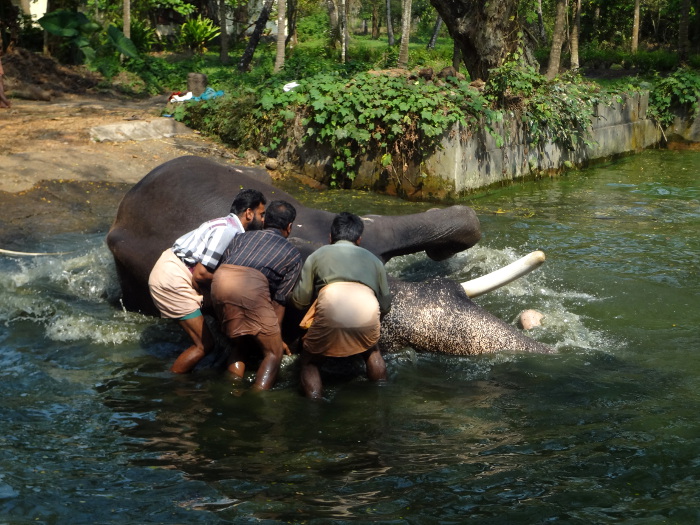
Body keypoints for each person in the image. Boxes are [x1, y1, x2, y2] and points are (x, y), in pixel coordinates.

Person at [148, 189, 266, 374]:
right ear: (249, 213)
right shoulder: (228, 230)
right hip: (174, 277)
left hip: (175, 269)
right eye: (262, 214)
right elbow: (201, 275)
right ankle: (175, 385)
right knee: (204, 345)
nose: (264, 219)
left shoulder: (226, 224)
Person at [291, 212, 392, 399]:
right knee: (372, 351)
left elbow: (301, 300)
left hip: (331, 306)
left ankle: (314, 405)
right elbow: (386, 304)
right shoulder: (375, 261)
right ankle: (381, 395)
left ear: (330, 237)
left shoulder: (316, 256)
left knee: (309, 361)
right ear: (359, 239)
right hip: (366, 308)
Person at [210, 200, 302, 391]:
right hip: (249, 286)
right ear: (289, 227)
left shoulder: (241, 238)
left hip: (219, 282)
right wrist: (275, 337)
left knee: (240, 344)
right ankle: (257, 396)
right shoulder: (293, 254)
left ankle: (231, 389)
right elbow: (280, 299)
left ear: (265, 220)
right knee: (274, 353)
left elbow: (225, 265)